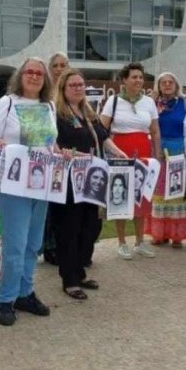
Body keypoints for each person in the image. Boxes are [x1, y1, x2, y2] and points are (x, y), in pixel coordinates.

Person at [0, 57, 58, 326]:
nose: (34, 76)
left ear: (45, 79)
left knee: (33, 244)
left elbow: (51, 143)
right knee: (15, 245)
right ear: (21, 75)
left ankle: (25, 292)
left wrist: (62, 155)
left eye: (40, 73)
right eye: (29, 71)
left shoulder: (49, 106)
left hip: (42, 183)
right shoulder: (7, 103)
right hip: (11, 184)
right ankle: (5, 299)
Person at [49, 68, 125, 300]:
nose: (78, 88)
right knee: (69, 229)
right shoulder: (57, 114)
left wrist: (119, 153)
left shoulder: (89, 113)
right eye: (73, 85)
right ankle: (69, 279)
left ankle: (80, 271)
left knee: (90, 226)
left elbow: (104, 137)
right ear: (63, 89)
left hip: (90, 180)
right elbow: (50, 142)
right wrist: (61, 153)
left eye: (81, 84)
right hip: (69, 181)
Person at [100, 62, 162, 260]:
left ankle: (140, 241)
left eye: (141, 77)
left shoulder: (149, 103)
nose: (138, 80)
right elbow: (102, 129)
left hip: (143, 153)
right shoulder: (113, 101)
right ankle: (121, 242)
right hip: (120, 153)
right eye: (134, 77)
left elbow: (154, 131)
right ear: (124, 80)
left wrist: (157, 155)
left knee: (142, 197)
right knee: (120, 196)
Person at [146, 72, 186, 248]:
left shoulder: (185, 102)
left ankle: (176, 235)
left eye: (170, 82)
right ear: (158, 86)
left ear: (176, 84)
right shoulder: (152, 104)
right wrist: (152, 100)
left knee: (176, 191)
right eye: (163, 82)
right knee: (158, 192)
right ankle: (159, 234)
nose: (167, 85)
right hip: (158, 149)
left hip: (179, 150)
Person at [41, 52, 71, 264]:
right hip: (50, 154)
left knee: (64, 204)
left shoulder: (72, 92)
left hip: (71, 154)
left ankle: (62, 245)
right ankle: (49, 247)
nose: (59, 69)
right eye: (55, 65)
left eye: (63, 65)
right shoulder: (46, 95)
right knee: (50, 205)